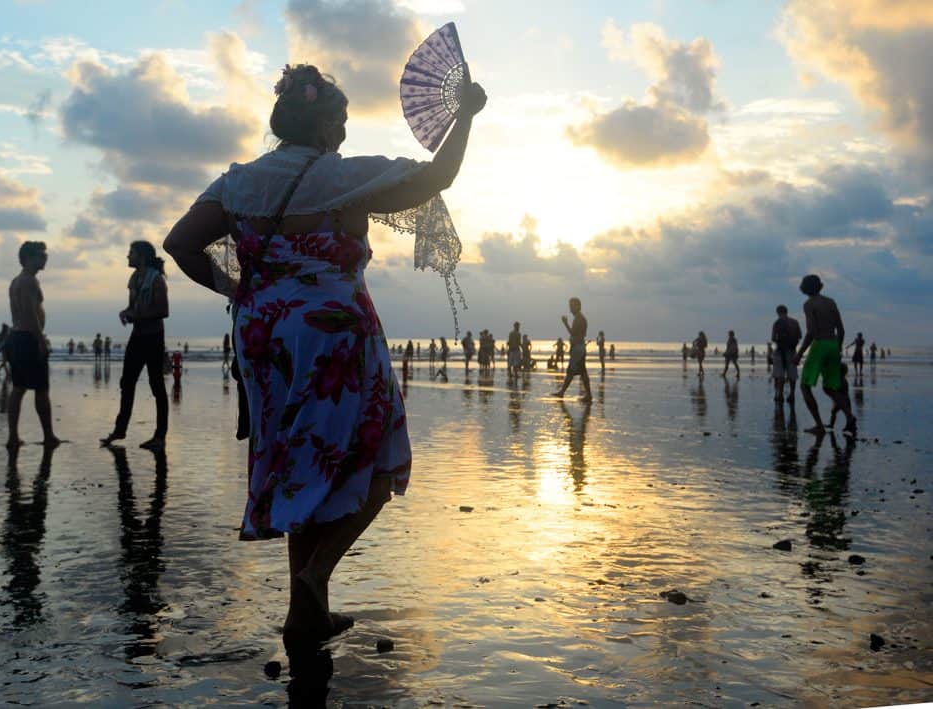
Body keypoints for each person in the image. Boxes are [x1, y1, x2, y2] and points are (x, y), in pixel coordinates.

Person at [162, 62, 486, 650]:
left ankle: (304, 613)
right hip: (334, 330)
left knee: (296, 460)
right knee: (376, 456)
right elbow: (440, 173)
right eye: (340, 118)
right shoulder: (344, 177)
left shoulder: (240, 183)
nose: (343, 129)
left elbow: (179, 243)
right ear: (328, 124)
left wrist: (240, 290)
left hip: (262, 337)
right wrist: (465, 114)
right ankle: (316, 575)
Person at [100, 241, 170, 450]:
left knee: (156, 386)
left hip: (153, 337)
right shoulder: (134, 279)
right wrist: (126, 312)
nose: (127, 257)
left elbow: (163, 311)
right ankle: (120, 430)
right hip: (137, 336)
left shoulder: (156, 279)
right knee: (126, 383)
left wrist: (135, 315)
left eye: (131, 253)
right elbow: (134, 307)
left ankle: (160, 436)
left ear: (141, 256)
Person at [6, 241, 59, 448]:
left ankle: (13, 437)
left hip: (16, 337)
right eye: (40, 255)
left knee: (18, 388)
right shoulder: (28, 281)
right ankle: (48, 436)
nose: (44, 258)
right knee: (41, 389)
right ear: (28, 258)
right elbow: (29, 313)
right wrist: (40, 340)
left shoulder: (15, 281)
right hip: (28, 338)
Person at [793, 274, 856, 435]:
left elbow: (811, 332)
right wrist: (839, 348)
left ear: (804, 288)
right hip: (833, 344)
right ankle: (849, 416)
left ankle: (819, 425)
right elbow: (841, 330)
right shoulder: (830, 302)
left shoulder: (809, 304)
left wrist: (799, 353)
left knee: (805, 386)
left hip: (820, 344)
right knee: (830, 387)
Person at [554, 297, 592, 401]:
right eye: (570, 305)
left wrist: (565, 323)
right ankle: (588, 395)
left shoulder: (579, 318)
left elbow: (573, 333)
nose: (570, 308)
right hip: (580, 347)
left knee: (571, 371)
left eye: (572, 305)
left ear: (578, 306)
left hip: (578, 349)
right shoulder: (580, 318)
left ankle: (562, 392)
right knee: (582, 372)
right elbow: (580, 334)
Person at [771, 304, 801, 403]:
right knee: (792, 374)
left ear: (778, 312)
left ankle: (780, 395)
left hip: (780, 351)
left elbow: (773, 338)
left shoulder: (777, 322)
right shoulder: (795, 322)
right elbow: (799, 336)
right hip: (792, 350)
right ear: (786, 311)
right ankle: (792, 394)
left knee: (779, 374)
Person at [828, 363, 850, 429]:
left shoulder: (840, 380)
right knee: (846, 413)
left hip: (841, 400)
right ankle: (832, 424)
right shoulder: (844, 380)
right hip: (846, 399)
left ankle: (832, 425)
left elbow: (838, 389)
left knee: (834, 412)